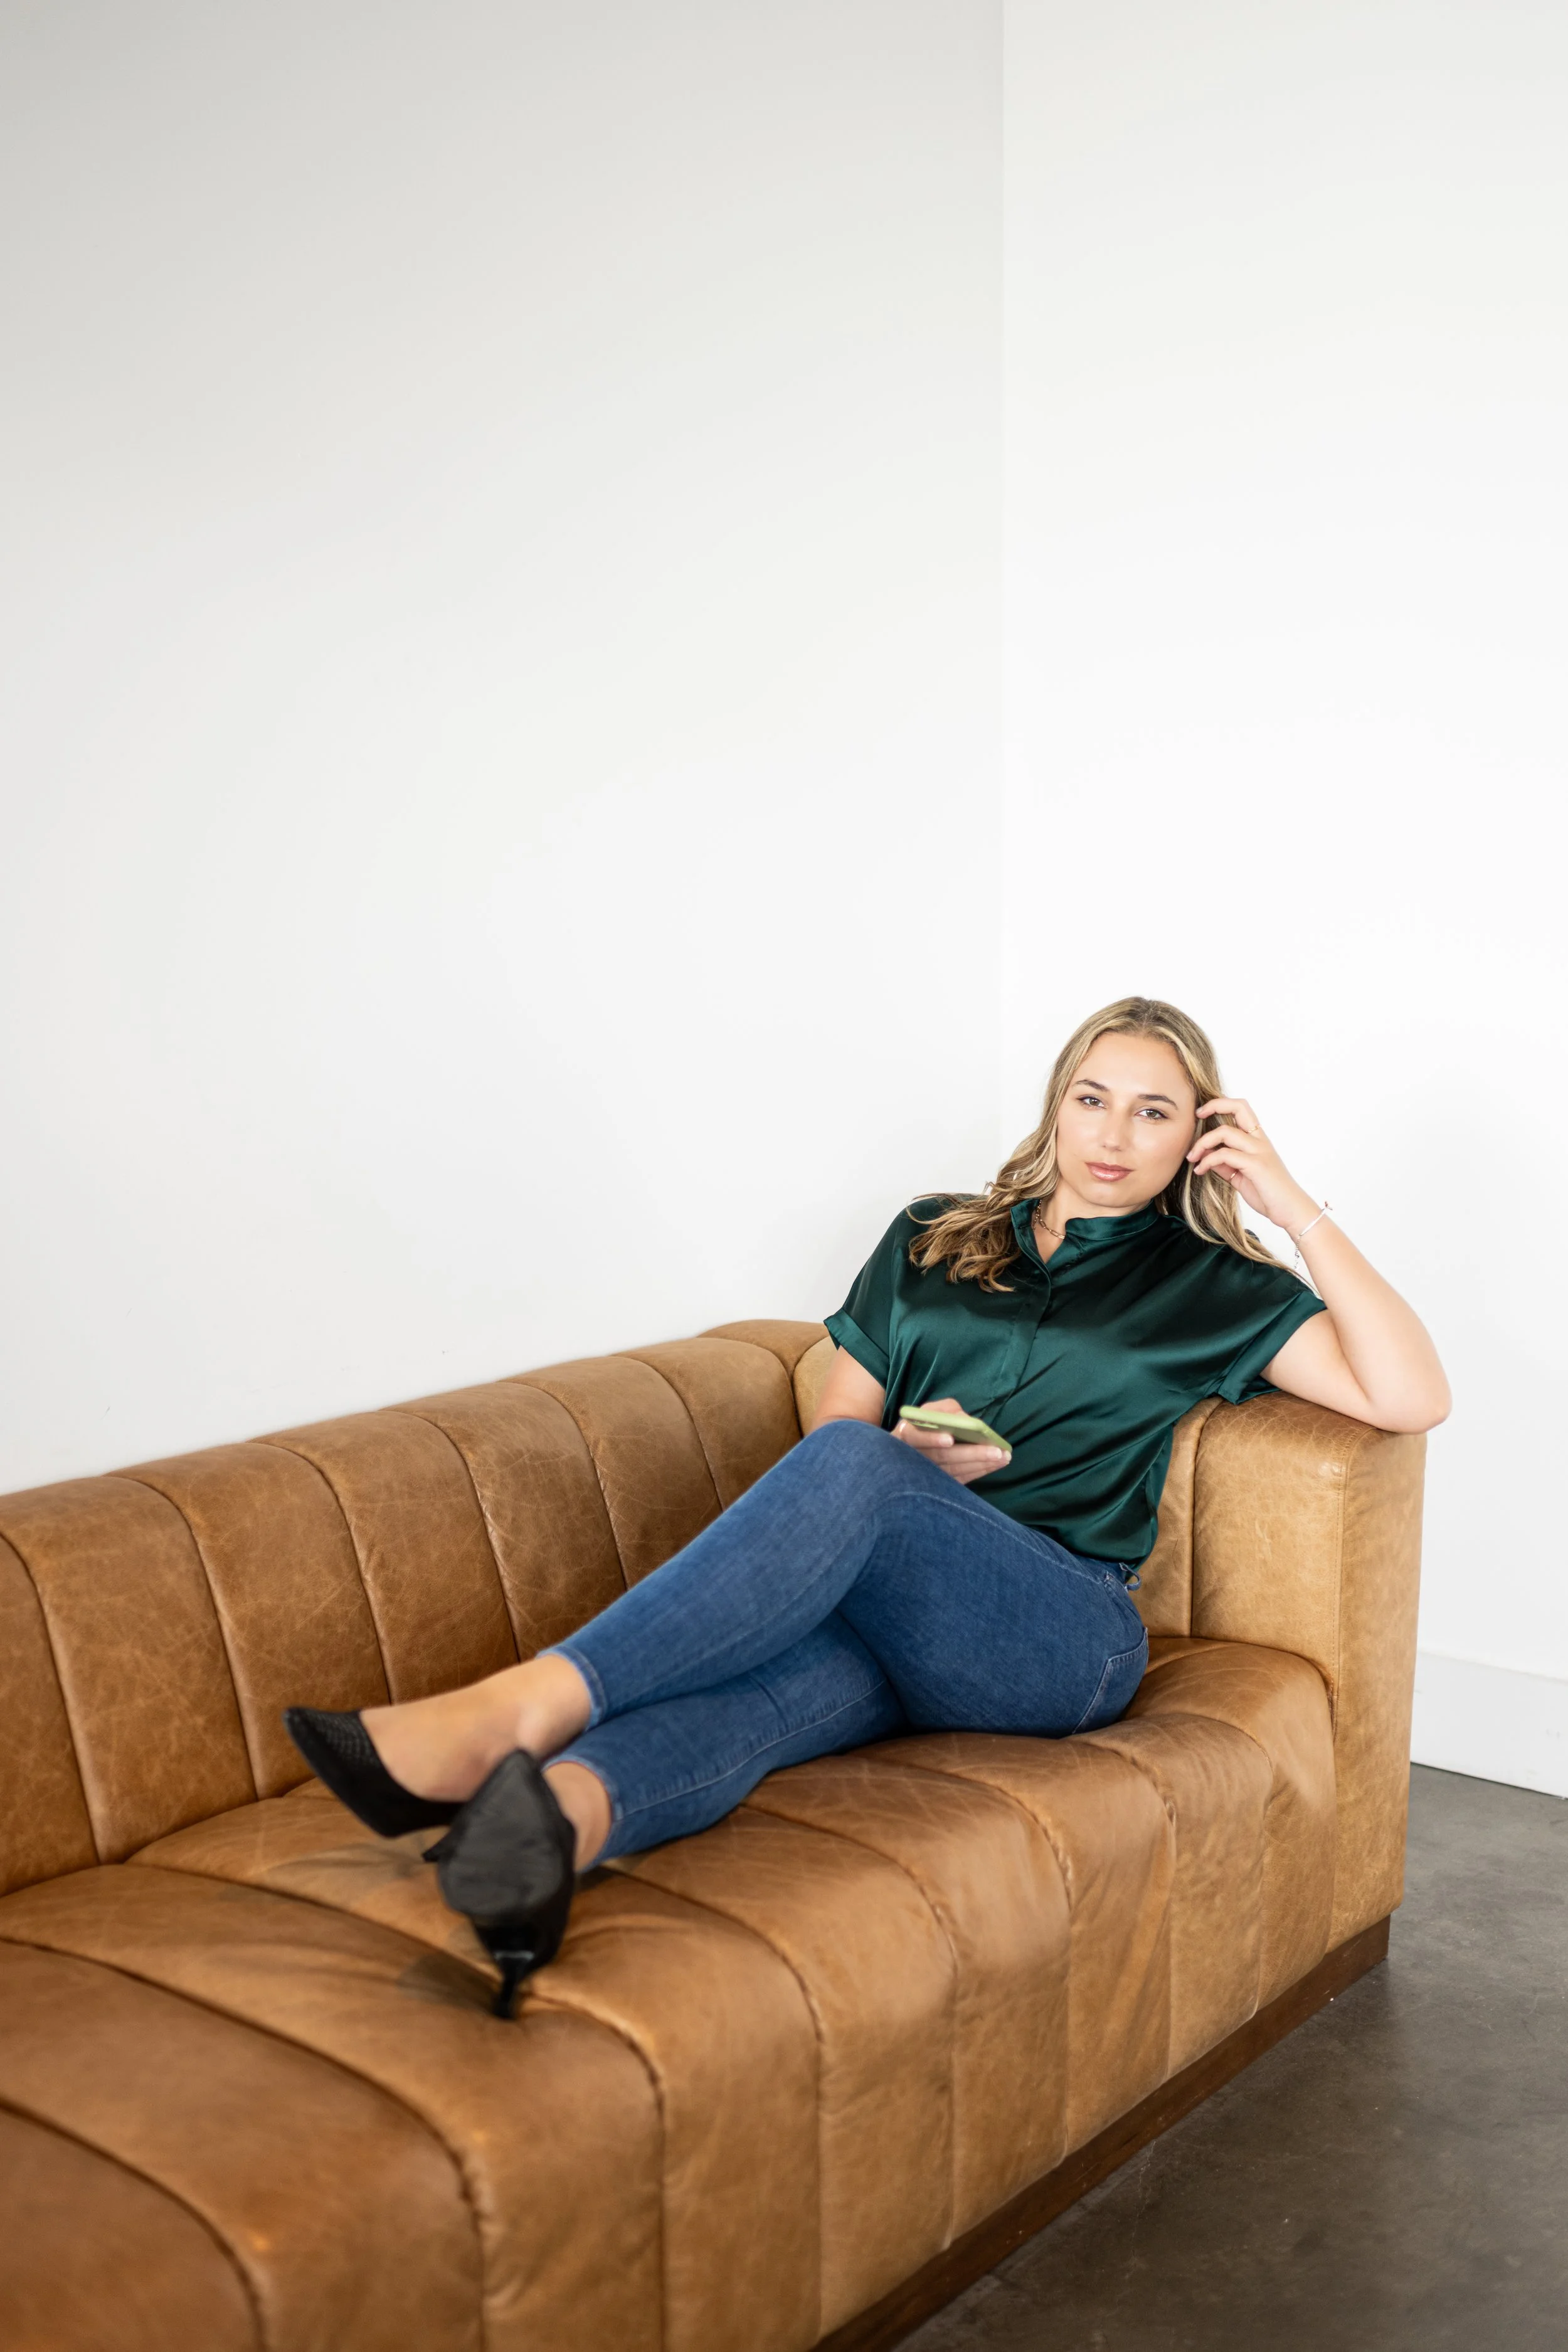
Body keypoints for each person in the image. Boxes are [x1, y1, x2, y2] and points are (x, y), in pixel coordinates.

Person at [285, 996, 1449, 2016]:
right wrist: (902, 1462)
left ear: (1200, 1136)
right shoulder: (932, 1237)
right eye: (1093, 1098)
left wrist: (1293, 1206)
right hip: (894, 1610)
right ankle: (542, 1837)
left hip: (1060, 1634)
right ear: (1055, 1105)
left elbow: (1410, 1392)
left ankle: (511, 1709)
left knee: (858, 1474)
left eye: (1155, 1111)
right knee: (769, 1679)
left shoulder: (1215, 1287)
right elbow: (838, 1427)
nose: (1113, 1133)